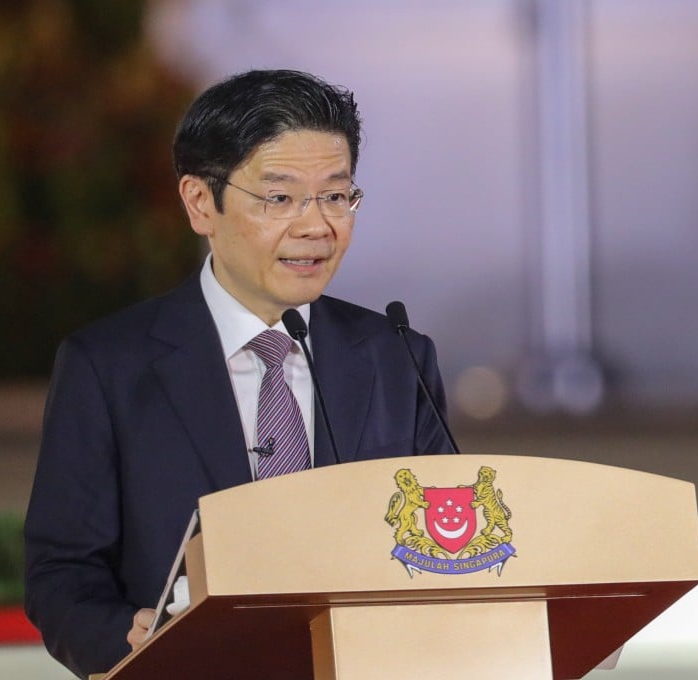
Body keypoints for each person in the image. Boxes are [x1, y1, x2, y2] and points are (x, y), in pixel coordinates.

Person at [23, 69, 454, 678]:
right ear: (201, 202)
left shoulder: (396, 357)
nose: (316, 226)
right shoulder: (109, 366)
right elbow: (62, 573)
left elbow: (445, 545)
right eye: (280, 198)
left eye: (336, 195)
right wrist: (128, 640)